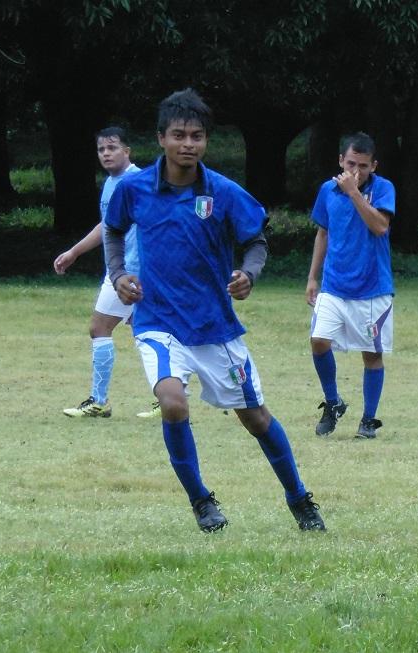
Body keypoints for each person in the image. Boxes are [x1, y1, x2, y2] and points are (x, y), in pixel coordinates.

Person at [103, 88, 325, 533]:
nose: (189, 144)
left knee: (255, 416)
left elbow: (256, 242)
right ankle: (202, 502)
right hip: (158, 321)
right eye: (179, 135)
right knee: (172, 402)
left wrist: (248, 273)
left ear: (206, 141)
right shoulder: (134, 188)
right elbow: (113, 231)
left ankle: (299, 498)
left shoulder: (223, 192)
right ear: (161, 138)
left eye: (197, 136)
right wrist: (118, 274)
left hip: (215, 327)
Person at [54, 127, 159, 419]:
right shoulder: (113, 183)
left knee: (100, 328)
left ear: (127, 151)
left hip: (130, 272)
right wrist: (74, 252)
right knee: (150, 332)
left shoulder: (137, 181)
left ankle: (100, 401)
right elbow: (108, 226)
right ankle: (168, 397)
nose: (106, 154)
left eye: (112, 148)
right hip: (120, 269)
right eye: (101, 150)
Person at [305, 133, 395, 439]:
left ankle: (368, 419)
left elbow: (380, 226)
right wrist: (312, 277)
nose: (356, 171)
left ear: (374, 166)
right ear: (340, 161)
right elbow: (322, 233)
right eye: (351, 163)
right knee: (318, 340)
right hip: (334, 285)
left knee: (371, 355)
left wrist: (355, 193)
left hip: (372, 288)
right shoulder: (327, 190)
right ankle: (333, 402)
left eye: (364, 166)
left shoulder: (383, 188)